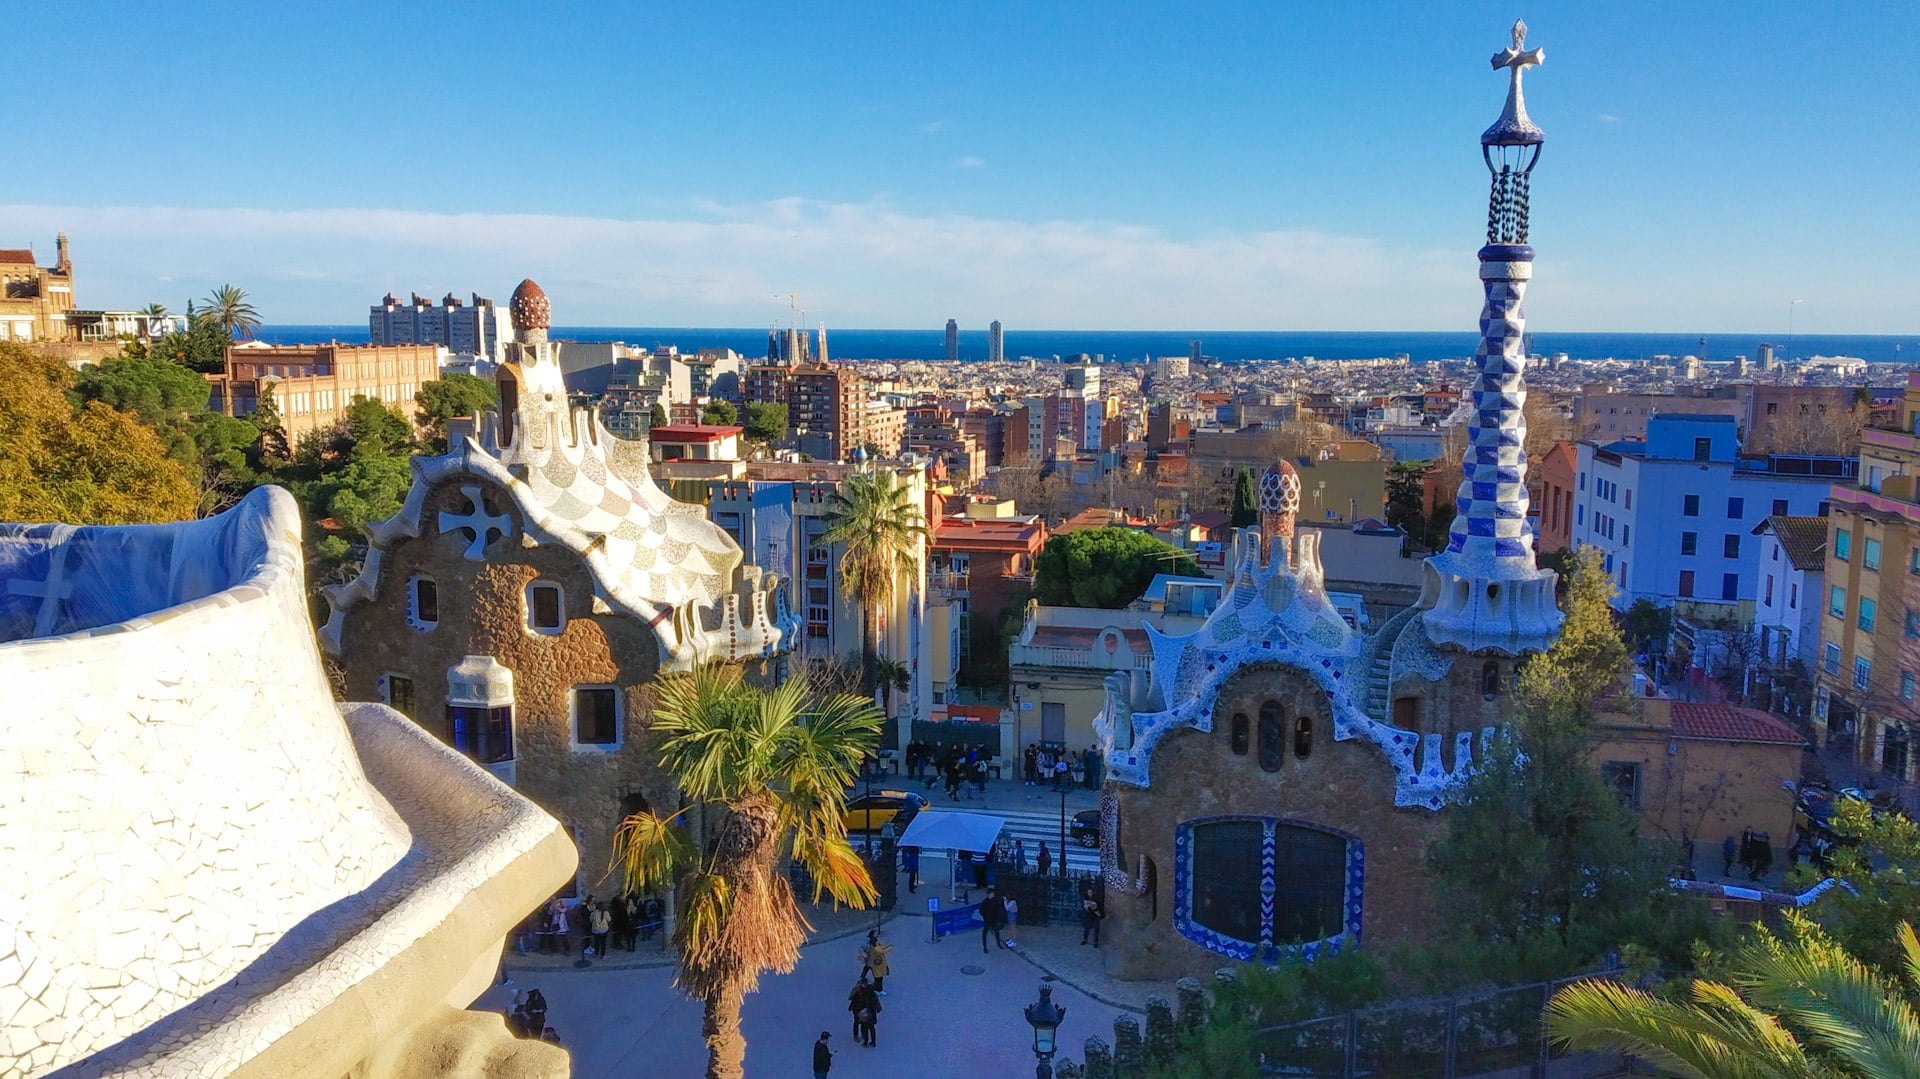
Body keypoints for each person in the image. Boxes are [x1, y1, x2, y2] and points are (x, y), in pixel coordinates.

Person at [860, 930, 892, 994]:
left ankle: (877, 988)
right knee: (878, 976)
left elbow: (880, 949)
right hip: (875, 962)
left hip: (876, 961)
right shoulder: (873, 944)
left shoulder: (875, 942)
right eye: (875, 933)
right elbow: (880, 951)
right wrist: (889, 948)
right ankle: (878, 989)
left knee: (877, 975)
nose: (877, 934)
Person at [979, 886, 1008, 952]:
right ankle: (985, 948)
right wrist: (986, 916)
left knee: (996, 932)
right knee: (985, 933)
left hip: (994, 919)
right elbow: (981, 911)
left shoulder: (995, 900)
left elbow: (999, 908)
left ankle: (998, 944)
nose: (993, 895)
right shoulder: (984, 902)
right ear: (989, 894)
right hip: (987, 920)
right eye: (992, 893)